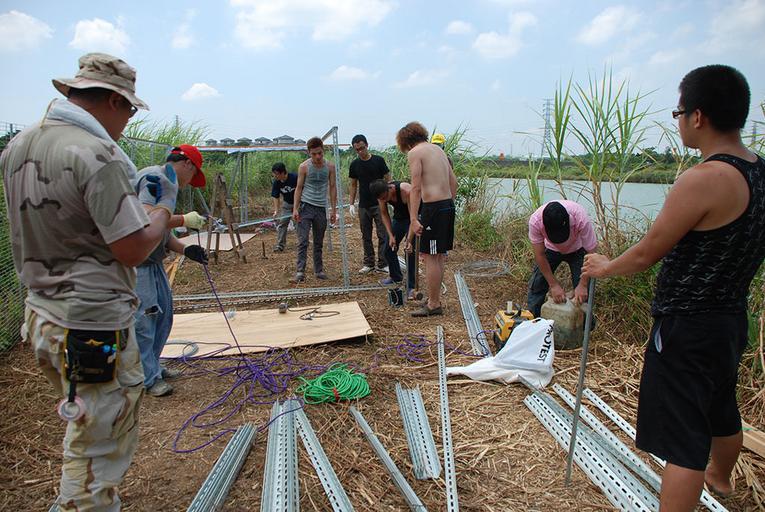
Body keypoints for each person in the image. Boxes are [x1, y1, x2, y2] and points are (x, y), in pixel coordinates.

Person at [583, 65, 765, 511]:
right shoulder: (759, 172)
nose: (679, 121)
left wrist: (604, 267)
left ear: (698, 116)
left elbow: (647, 253)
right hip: (730, 319)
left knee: (683, 440)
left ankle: (696, 486)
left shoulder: (703, 179)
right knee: (721, 405)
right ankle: (721, 479)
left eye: (678, 112)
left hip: (687, 325)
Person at [1, 52, 176, 511]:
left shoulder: (20, 144)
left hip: (43, 315)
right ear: (115, 101)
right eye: (130, 110)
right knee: (98, 451)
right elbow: (133, 249)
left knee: (84, 429)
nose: (127, 121)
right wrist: (161, 211)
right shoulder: (98, 154)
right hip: (92, 325)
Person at [133, 145, 209, 397]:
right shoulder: (155, 178)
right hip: (138, 265)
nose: (189, 183)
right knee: (145, 321)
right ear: (187, 163)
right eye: (193, 174)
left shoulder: (167, 184)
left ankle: (153, 365)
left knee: (163, 316)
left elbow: (162, 232)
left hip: (153, 262)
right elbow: (145, 219)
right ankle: (148, 378)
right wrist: (183, 219)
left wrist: (186, 250)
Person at [396, 121, 457, 317]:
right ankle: (434, 299)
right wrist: (448, 204)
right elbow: (453, 182)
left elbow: (415, 188)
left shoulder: (415, 153)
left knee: (430, 256)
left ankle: (433, 304)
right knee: (438, 255)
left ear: (406, 142)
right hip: (447, 206)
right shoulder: (438, 151)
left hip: (434, 208)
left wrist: (414, 219)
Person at [526, 200, 597, 317]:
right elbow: (539, 255)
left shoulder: (580, 217)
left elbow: (592, 253)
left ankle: (584, 325)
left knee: (584, 294)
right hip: (550, 250)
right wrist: (553, 285)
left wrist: (583, 284)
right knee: (538, 284)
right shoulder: (535, 221)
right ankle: (532, 320)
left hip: (578, 249)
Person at [291, 137, 337, 282]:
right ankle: (300, 271)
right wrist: (295, 208)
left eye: (320, 153)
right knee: (303, 240)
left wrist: (333, 210)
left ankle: (319, 270)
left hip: (321, 208)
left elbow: (332, 187)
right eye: (314, 154)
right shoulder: (304, 167)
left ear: (323, 151)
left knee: (318, 241)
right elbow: (299, 188)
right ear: (309, 153)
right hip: (306, 206)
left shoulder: (330, 167)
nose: (317, 157)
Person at [349, 134, 391, 274]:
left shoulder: (378, 160)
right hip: (364, 204)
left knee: (383, 234)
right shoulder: (355, 164)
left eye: (362, 148)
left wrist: (389, 198)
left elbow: (388, 179)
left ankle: (383, 263)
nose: (360, 151)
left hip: (379, 203)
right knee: (366, 235)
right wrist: (351, 204)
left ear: (367, 145)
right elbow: (353, 185)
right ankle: (369, 263)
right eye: (357, 149)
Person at [369, 179, 416, 298]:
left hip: (413, 218)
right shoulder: (381, 196)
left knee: (409, 251)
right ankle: (396, 276)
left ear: (390, 188)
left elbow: (413, 218)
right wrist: (391, 236)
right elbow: (384, 214)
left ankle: (411, 286)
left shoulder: (406, 191)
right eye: (382, 199)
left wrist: (409, 239)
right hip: (399, 219)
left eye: (385, 197)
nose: (385, 200)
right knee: (388, 249)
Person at [270, 162, 298, 252]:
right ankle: (280, 245)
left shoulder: (295, 177)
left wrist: (298, 207)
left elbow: (302, 189)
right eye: (274, 174)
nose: (275, 176)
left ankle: (302, 243)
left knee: (298, 223)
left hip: (298, 204)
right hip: (287, 205)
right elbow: (276, 196)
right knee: (282, 223)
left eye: (276, 174)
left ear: (283, 173)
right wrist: (276, 210)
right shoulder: (276, 182)